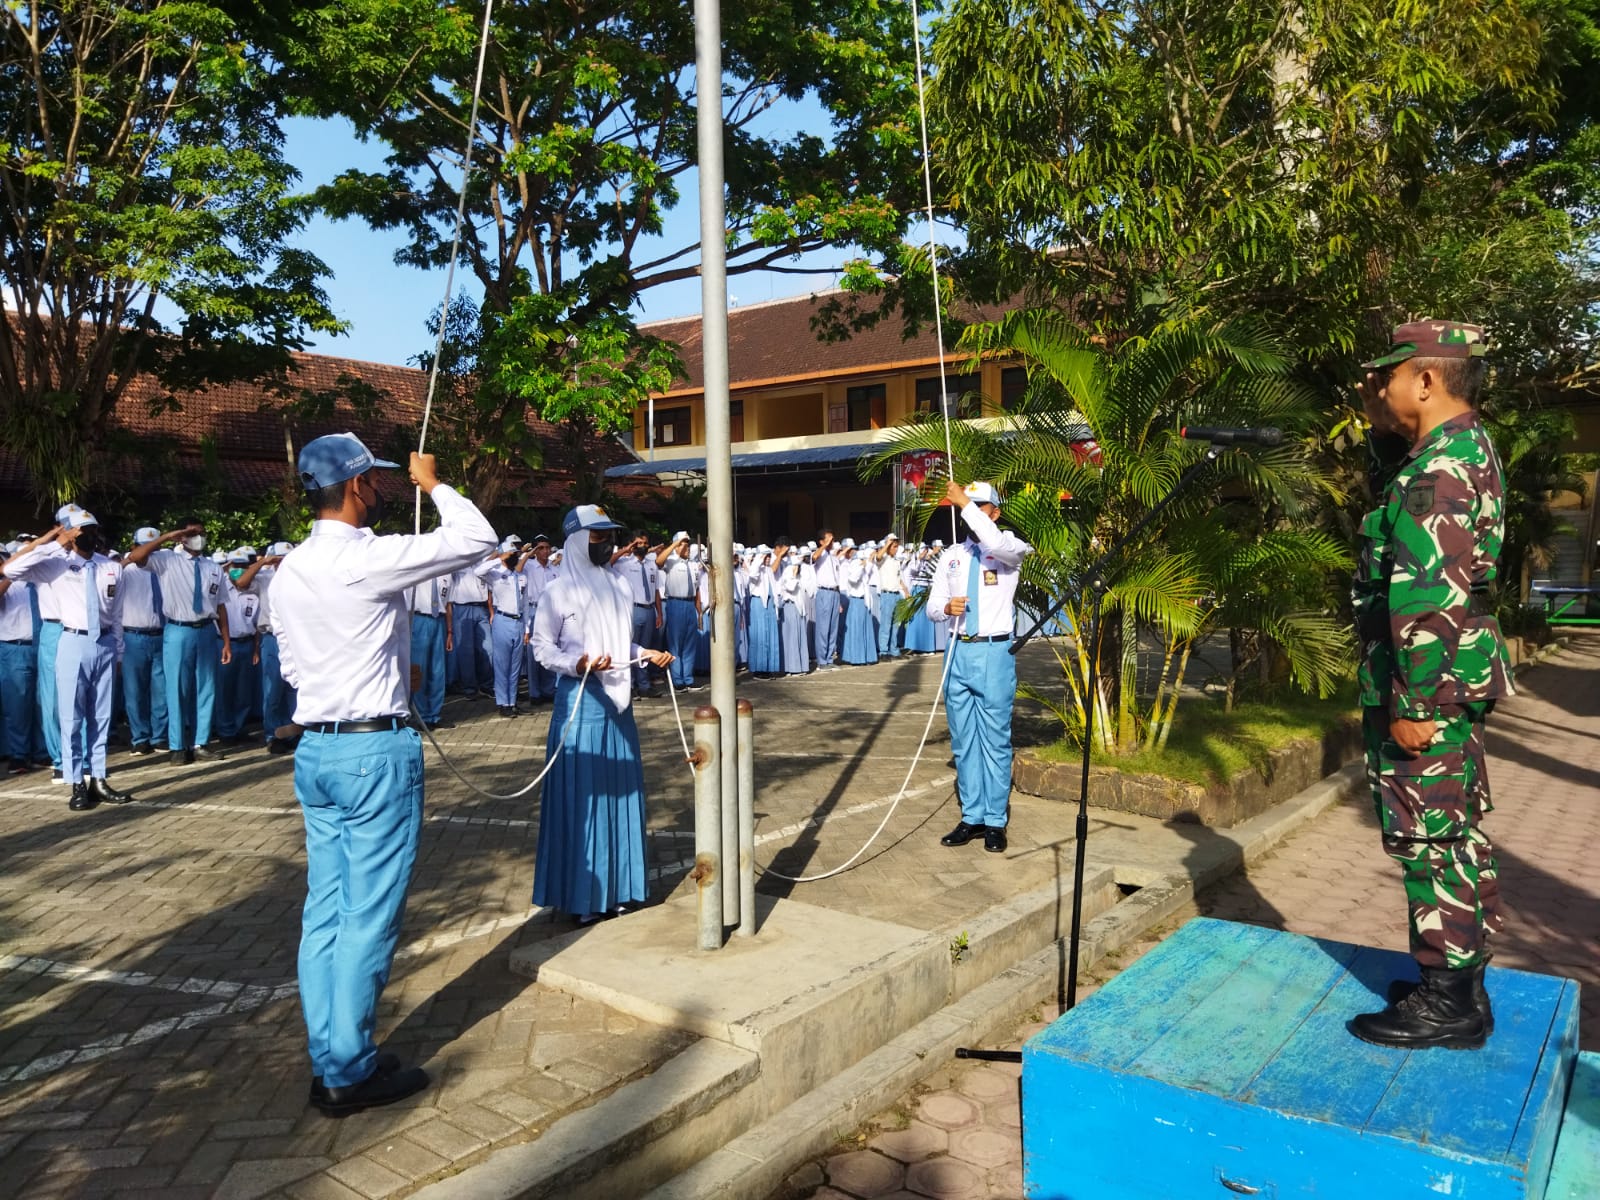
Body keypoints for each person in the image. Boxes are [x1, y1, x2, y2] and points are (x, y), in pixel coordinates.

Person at [272, 434, 496, 1117]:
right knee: (367, 915)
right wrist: (432, 483)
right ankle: (349, 1070)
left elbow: (293, 669)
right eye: (375, 482)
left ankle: (333, 1054)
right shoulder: (365, 558)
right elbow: (477, 536)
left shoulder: (288, 571)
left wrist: (383, 673)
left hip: (318, 750)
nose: (383, 492)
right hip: (373, 754)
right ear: (358, 486)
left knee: (326, 914)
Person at [1345, 320, 1512, 1051]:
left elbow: (1423, 595)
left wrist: (1411, 702)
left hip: (1427, 685)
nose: (1377, 392)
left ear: (1426, 380)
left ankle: (1448, 1004)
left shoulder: (1437, 470)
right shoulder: (1461, 448)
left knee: (1428, 840)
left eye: (1387, 378)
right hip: (1449, 677)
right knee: (1453, 836)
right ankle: (1461, 986)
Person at [530, 505, 674, 924]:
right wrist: (575, 664)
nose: (606, 543)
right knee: (586, 799)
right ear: (576, 540)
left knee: (623, 792)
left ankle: (622, 889)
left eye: (608, 535)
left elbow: (620, 644)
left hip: (618, 703)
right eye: (597, 537)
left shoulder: (618, 584)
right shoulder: (557, 591)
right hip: (580, 703)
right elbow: (542, 648)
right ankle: (584, 897)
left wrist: (646, 654)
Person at [928, 480, 1031, 853]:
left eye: (979, 506)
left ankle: (994, 821)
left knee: (995, 740)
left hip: (993, 652)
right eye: (966, 506)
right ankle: (971, 816)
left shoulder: (1009, 548)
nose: (969, 512)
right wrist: (945, 608)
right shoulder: (953, 554)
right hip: (958, 651)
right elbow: (932, 605)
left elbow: (998, 544)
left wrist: (965, 505)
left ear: (995, 511)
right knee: (964, 740)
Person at [3, 511, 128, 811]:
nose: (88, 535)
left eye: (92, 529)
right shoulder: (55, 565)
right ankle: (76, 784)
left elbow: (118, 614)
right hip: (72, 641)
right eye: (82, 530)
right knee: (71, 718)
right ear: (70, 533)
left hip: (105, 643)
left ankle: (98, 778)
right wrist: (53, 542)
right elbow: (10, 569)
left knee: (101, 717)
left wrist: (119, 652)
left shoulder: (110, 568)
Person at [124, 517, 231, 765]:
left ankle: (201, 742)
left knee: (207, 688)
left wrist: (225, 641)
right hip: (178, 630)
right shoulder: (167, 560)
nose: (199, 537)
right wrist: (166, 537)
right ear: (182, 536)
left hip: (206, 629)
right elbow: (136, 557)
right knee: (176, 688)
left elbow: (221, 606)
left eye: (201, 533)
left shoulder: (212, 567)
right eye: (193, 533)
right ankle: (177, 745)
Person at [118, 528, 168, 755]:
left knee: (162, 690)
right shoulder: (126, 571)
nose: (151, 551)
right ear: (133, 547)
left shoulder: (167, 568)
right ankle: (140, 737)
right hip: (133, 636)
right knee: (135, 690)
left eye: (155, 546)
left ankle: (160, 736)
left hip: (162, 633)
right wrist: (128, 560)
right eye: (144, 546)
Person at [0, 542, 40, 774]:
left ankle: (42, 752)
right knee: (17, 704)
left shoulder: (41, 581)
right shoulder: (8, 584)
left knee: (43, 702)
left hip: (42, 646)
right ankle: (19, 754)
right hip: (14, 648)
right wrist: (11, 578)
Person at [477, 540, 527, 717]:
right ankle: (503, 703)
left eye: (516, 553)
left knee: (515, 666)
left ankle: (512, 702)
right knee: (502, 665)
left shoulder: (521, 576)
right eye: (512, 553)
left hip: (519, 622)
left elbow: (525, 603)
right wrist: (499, 557)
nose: (515, 556)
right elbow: (478, 571)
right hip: (502, 620)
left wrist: (527, 628)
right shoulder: (496, 574)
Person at [611, 532, 663, 697]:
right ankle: (629, 685)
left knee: (645, 649)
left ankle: (644, 685)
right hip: (632, 609)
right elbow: (608, 562)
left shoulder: (651, 564)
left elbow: (655, 591)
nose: (643, 545)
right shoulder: (624, 563)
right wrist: (626, 549)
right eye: (639, 543)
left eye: (645, 542)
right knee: (629, 647)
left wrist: (659, 613)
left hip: (649, 609)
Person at [656, 532, 699, 687]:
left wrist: (698, 611)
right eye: (684, 543)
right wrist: (674, 545)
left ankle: (688, 678)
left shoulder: (693, 564)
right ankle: (677, 679)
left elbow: (697, 588)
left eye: (688, 543)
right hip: (675, 603)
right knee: (675, 643)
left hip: (689, 604)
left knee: (689, 643)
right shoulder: (671, 560)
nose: (687, 547)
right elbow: (658, 561)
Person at [811, 531, 844, 668]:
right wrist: (824, 545)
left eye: (833, 539)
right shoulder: (821, 554)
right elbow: (814, 557)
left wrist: (839, 599)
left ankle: (829, 658)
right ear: (821, 541)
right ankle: (822, 661)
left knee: (832, 628)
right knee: (823, 628)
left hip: (834, 593)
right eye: (829, 539)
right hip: (824, 592)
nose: (832, 542)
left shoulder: (834, 557)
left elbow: (836, 579)